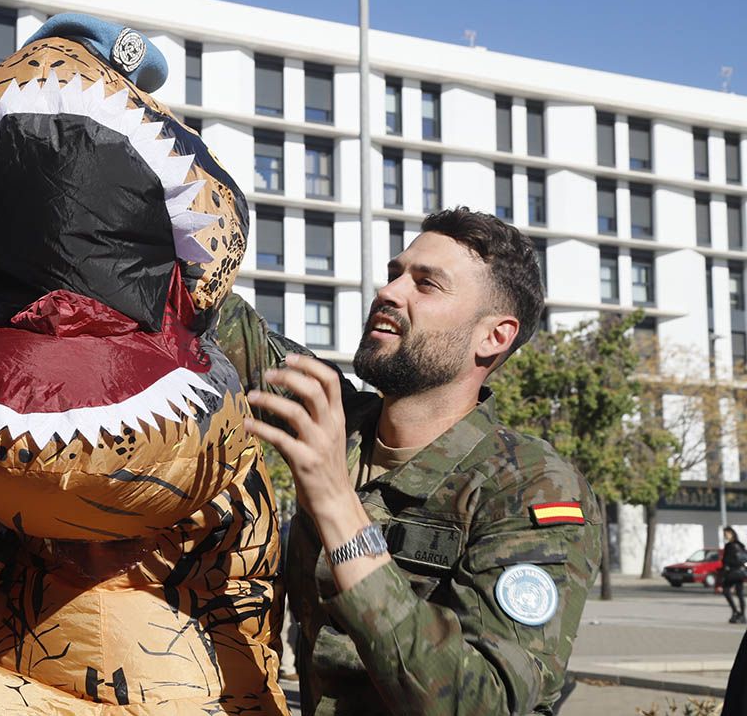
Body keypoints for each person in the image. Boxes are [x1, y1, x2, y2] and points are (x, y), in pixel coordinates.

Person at [243, 207, 602, 715]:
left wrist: (336, 505)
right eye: (395, 274)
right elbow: (214, 320)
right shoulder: (337, 419)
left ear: (493, 336)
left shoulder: (530, 488)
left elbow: (485, 702)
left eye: (427, 285)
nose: (389, 292)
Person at [724, 527, 747, 624]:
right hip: (741, 572)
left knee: (726, 590)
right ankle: (742, 615)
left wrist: (727, 564)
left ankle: (736, 612)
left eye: (726, 534)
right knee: (740, 594)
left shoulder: (730, 546)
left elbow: (726, 560)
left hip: (733, 572)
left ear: (731, 533)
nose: (725, 536)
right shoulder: (740, 545)